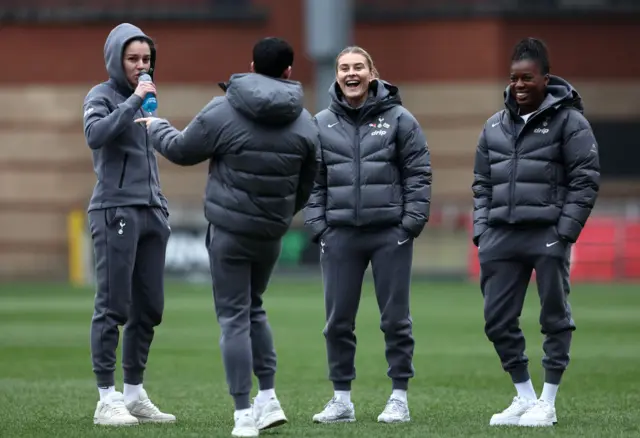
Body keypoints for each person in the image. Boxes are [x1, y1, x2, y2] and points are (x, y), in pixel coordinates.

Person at [136, 37, 318, 437]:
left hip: (229, 231)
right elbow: (310, 182)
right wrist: (284, 212)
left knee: (234, 316)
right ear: (289, 71)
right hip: (271, 232)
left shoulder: (224, 109)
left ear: (250, 66)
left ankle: (242, 416)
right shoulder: (306, 121)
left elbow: (182, 150)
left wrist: (156, 127)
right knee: (254, 308)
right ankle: (267, 398)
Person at [472, 37, 600, 427]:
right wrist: (482, 229)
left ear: (545, 78)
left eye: (527, 78)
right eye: (514, 79)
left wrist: (564, 232)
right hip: (500, 238)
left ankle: (549, 401)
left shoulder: (570, 121)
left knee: (554, 318)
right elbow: (481, 181)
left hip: (547, 235)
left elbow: (586, 178)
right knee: (496, 321)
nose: (520, 85)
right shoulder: (494, 125)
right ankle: (525, 396)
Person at [304, 46, 432, 425]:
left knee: (395, 320)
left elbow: (419, 173)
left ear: (373, 73)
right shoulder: (320, 122)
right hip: (340, 236)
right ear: (337, 76)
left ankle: (399, 398)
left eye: (358, 67)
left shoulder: (400, 119)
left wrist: (409, 225)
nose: (351, 73)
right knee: (338, 322)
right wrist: (320, 227)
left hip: (390, 234)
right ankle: (341, 399)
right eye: (344, 68)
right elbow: (312, 181)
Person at [82, 23, 175, 426]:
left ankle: (135, 394)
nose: (141, 66)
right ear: (116, 59)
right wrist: (133, 102)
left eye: (146, 60)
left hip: (152, 210)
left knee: (150, 307)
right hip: (114, 209)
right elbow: (95, 135)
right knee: (112, 305)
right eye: (133, 59)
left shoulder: (148, 100)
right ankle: (107, 397)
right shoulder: (100, 97)